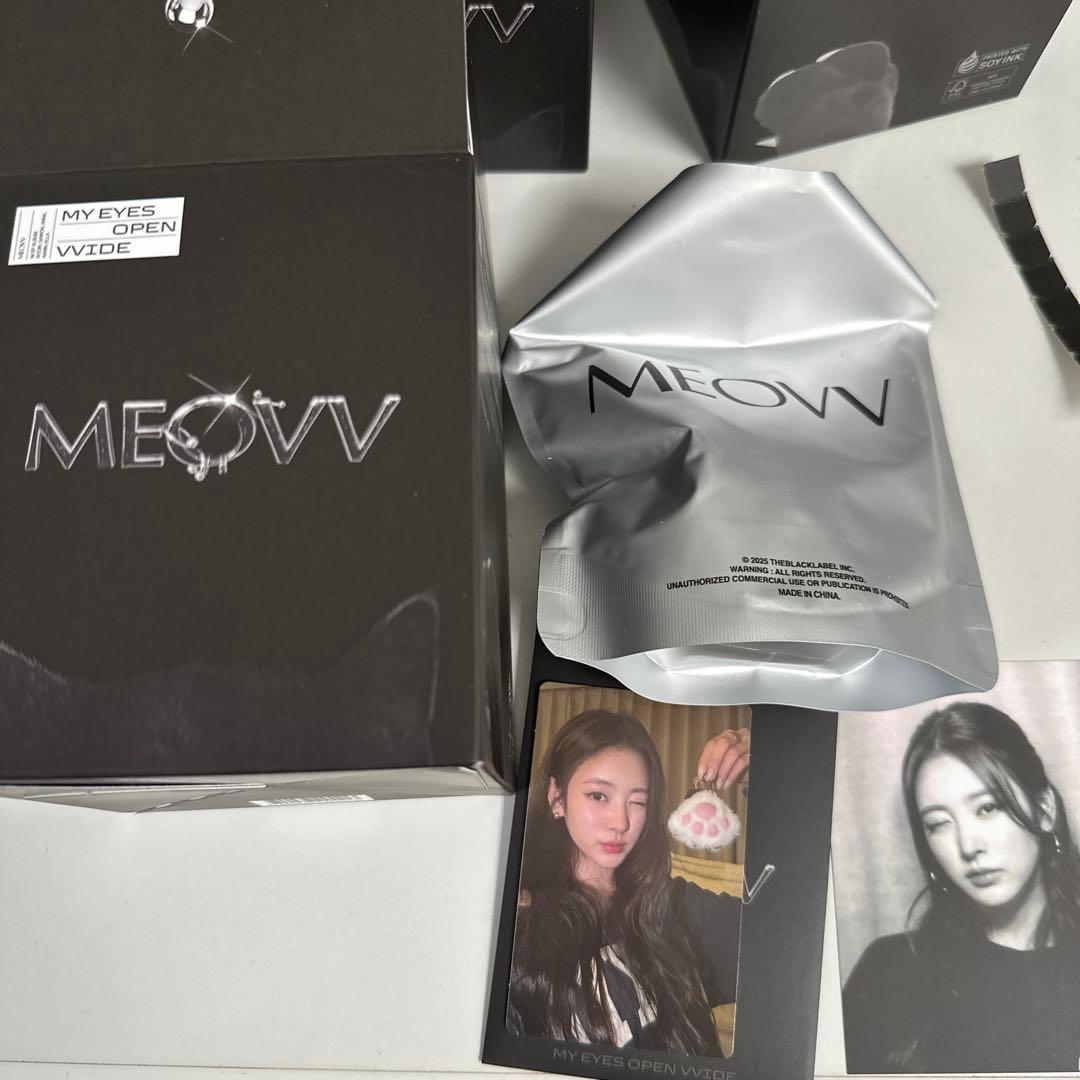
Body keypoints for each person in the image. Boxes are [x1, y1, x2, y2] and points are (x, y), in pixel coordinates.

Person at [842, 702, 1080, 1074]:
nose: (968, 846)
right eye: (938, 823)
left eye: (987, 808)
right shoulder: (889, 972)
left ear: (1044, 809)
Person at [507, 708, 750, 1054]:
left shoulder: (674, 906)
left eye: (638, 801)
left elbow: (792, 943)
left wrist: (765, 768)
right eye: (598, 796)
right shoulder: (518, 931)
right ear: (556, 797)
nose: (620, 822)